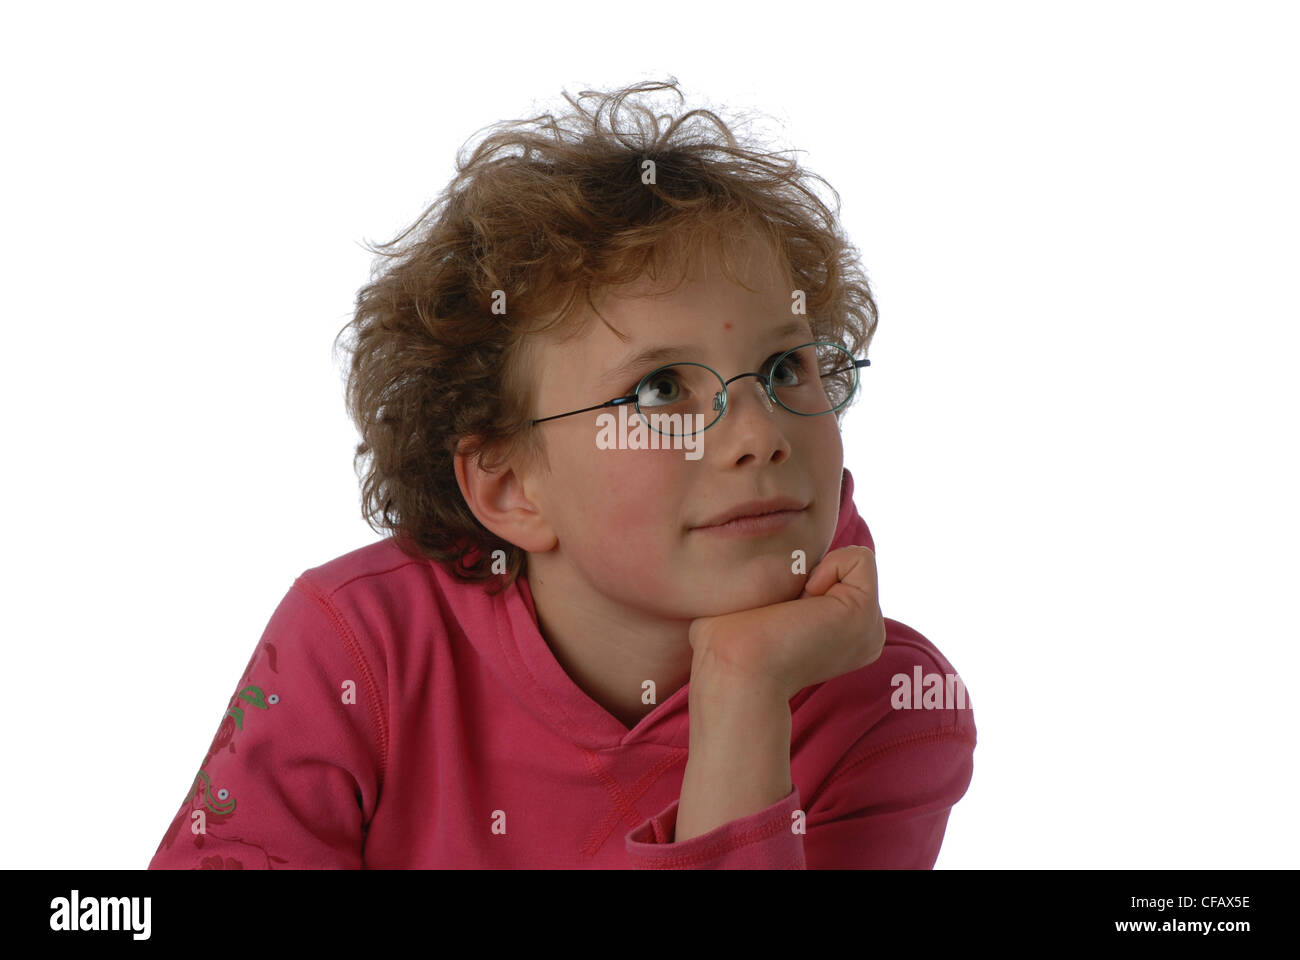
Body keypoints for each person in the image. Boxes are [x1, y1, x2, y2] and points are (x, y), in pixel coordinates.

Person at [148, 78, 976, 869]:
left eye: (785, 367)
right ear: (511, 488)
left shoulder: (892, 709)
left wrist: (743, 688)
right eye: (658, 390)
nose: (758, 434)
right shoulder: (357, 651)